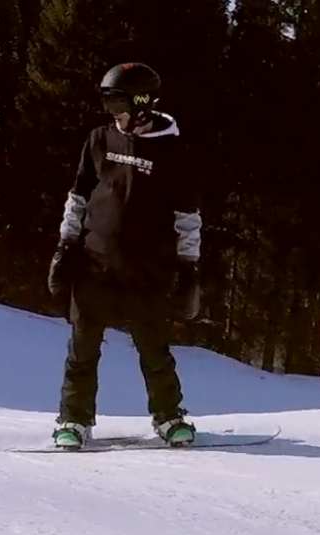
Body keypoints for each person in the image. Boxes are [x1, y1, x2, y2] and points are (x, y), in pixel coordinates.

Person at [47, 62, 202, 449]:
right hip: (93, 262)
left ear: (143, 104)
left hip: (146, 268)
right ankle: (73, 420)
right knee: (82, 347)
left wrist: (188, 267)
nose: (113, 116)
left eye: (119, 106)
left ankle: (169, 416)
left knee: (153, 347)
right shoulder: (99, 140)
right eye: (109, 106)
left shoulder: (173, 150)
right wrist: (66, 245)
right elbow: (78, 196)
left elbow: (187, 216)